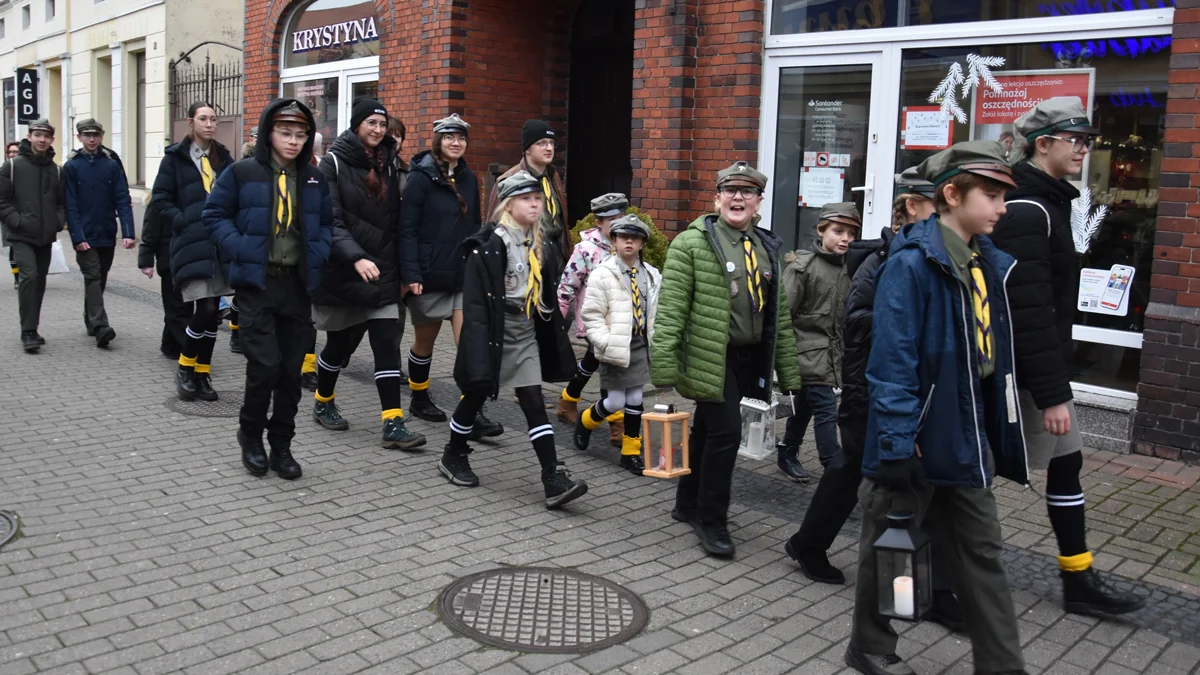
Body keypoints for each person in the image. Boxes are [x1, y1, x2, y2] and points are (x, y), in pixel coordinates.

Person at [846, 140, 1029, 675]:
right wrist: (898, 444)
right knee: (888, 546)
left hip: (966, 435)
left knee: (983, 550)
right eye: (991, 195)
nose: (1001, 208)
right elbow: (892, 363)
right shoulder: (911, 264)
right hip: (917, 437)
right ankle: (870, 646)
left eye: (1003, 196)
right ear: (952, 194)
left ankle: (1002, 665)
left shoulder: (986, 262)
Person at [784, 171, 965, 632]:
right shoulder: (884, 261)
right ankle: (810, 544)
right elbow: (864, 335)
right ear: (910, 210)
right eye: (937, 207)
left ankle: (936, 588)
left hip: (921, 396)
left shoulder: (944, 255)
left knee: (923, 482)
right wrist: (865, 397)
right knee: (853, 469)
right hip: (873, 391)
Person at [990, 97, 1145, 617]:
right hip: (1017, 373)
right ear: (1043, 144)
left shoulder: (1051, 201)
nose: (1084, 149)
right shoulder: (1027, 210)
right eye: (1075, 139)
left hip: (1040, 367)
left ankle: (1077, 577)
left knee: (1066, 462)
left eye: (1087, 140)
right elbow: (1028, 309)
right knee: (970, 473)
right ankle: (932, 572)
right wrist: (1053, 393)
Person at [651, 162, 803, 558]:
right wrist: (664, 367)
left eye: (747, 192)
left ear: (758, 202)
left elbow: (779, 317)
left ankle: (687, 503)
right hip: (710, 355)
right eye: (730, 190)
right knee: (727, 434)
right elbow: (670, 310)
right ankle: (711, 519)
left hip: (750, 358)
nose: (738, 198)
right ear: (717, 198)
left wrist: (788, 374)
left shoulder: (767, 247)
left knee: (707, 430)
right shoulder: (692, 243)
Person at [203, 98, 333, 481]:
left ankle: (282, 444)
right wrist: (242, 247)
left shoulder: (313, 177)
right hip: (258, 286)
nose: (293, 141)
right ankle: (251, 436)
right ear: (268, 133)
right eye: (285, 133)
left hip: (297, 286)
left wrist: (319, 251)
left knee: (291, 373)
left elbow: (327, 223)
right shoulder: (242, 172)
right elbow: (214, 214)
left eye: (300, 135)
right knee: (265, 367)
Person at [441, 170, 586, 507]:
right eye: (526, 199)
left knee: (533, 400)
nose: (535, 204)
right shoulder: (488, 247)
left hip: (524, 329)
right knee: (475, 394)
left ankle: (553, 477)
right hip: (494, 330)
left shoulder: (540, 243)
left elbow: (546, 293)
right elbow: (475, 305)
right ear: (508, 204)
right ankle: (453, 453)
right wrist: (475, 347)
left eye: (537, 198)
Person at [308, 98, 425, 450]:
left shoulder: (389, 163)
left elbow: (399, 224)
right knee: (339, 346)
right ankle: (323, 401)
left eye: (382, 124)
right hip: (344, 271)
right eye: (371, 123)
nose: (377, 130)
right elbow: (329, 220)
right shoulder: (332, 163)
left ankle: (393, 423)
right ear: (356, 124)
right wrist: (356, 258)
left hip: (384, 270)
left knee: (386, 343)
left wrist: (406, 272)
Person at [399, 113, 502, 437]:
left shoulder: (469, 179)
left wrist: (481, 265)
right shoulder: (420, 178)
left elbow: (475, 226)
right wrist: (411, 273)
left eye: (461, 138)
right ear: (438, 141)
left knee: (469, 343)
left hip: (463, 274)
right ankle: (419, 397)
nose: (456, 143)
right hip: (429, 275)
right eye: (449, 137)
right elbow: (407, 229)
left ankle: (471, 413)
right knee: (424, 342)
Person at [150, 103, 235, 399]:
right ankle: (186, 368)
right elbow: (160, 199)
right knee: (206, 308)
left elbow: (234, 195)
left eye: (213, 119)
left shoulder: (223, 157)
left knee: (212, 314)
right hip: (191, 243)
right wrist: (182, 221)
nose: (209, 124)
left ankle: (202, 372)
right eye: (203, 119)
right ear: (191, 122)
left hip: (218, 243)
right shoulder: (175, 158)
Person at [775, 203, 860, 484]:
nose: (845, 238)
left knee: (804, 407)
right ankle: (835, 471)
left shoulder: (850, 268)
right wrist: (782, 359)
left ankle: (787, 451)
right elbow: (783, 315)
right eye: (838, 231)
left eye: (851, 233)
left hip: (831, 355)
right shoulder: (804, 267)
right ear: (822, 230)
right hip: (805, 354)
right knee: (826, 410)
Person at [573, 214, 660, 476]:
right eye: (623, 237)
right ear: (614, 241)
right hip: (615, 345)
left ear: (642, 243)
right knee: (614, 402)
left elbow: (657, 310)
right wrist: (604, 342)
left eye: (635, 238)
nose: (629, 242)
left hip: (639, 345)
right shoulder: (603, 273)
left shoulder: (652, 275)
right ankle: (586, 420)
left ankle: (630, 453)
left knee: (635, 399)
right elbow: (592, 314)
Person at [555, 193, 627, 446]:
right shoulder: (585, 250)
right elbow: (567, 287)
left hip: (620, 322)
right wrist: (556, 326)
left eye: (621, 218)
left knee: (591, 362)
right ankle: (617, 424)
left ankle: (567, 401)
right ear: (599, 222)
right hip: (595, 322)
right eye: (612, 220)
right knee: (610, 368)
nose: (618, 225)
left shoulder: (627, 246)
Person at [487, 120, 572, 315]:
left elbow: (560, 220)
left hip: (556, 254)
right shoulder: (509, 180)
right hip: (526, 255)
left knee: (560, 316)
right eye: (541, 143)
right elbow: (494, 223)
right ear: (527, 149)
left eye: (551, 143)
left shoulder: (552, 176)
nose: (548, 148)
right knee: (531, 313)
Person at [64, 118, 136, 348]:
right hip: (84, 232)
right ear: (79, 137)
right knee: (92, 275)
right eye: (87, 135)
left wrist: (128, 232)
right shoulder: (72, 166)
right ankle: (101, 326)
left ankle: (90, 318)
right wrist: (77, 236)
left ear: (102, 136)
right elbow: (70, 205)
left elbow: (122, 198)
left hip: (106, 230)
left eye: (96, 135)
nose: (92, 139)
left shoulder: (111, 164)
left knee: (100, 277)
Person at [0, 119, 66, 352]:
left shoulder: (56, 170)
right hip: (21, 235)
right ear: (29, 137)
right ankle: (27, 331)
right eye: (37, 135)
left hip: (45, 236)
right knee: (29, 276)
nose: (42, 140)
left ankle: (33, 328)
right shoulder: (12, 166)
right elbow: (2, 200)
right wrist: (16, 221)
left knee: (39, 282)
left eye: (46, 136)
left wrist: (57, 222)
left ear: (52, 140)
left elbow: (61, 203)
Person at [4, 142, 19, 289]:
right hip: (8, 216)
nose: (12, 154)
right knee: (12, 248)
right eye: (10, 152)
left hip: (24, 215)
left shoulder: (25, 171)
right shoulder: (4, 170)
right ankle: (17, 278)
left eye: (15, 152)